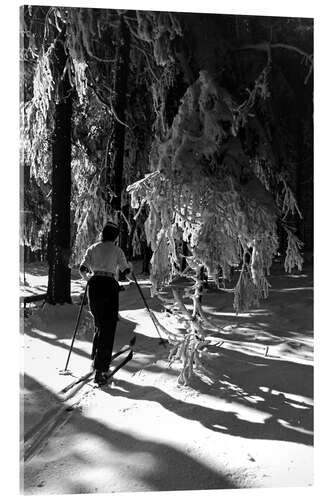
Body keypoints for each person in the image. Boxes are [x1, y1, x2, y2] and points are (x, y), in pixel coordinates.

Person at [79, 222, 132, 386]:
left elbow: (82, 268)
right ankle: (101, 370)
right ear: (115, 236)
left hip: (94, 286)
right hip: (109, 287)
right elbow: (125, 271)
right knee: (108, 328)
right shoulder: (117, 250)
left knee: (99, 325)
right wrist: (129, 273)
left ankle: (95, 360)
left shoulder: (93, 248)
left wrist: (89, 279)